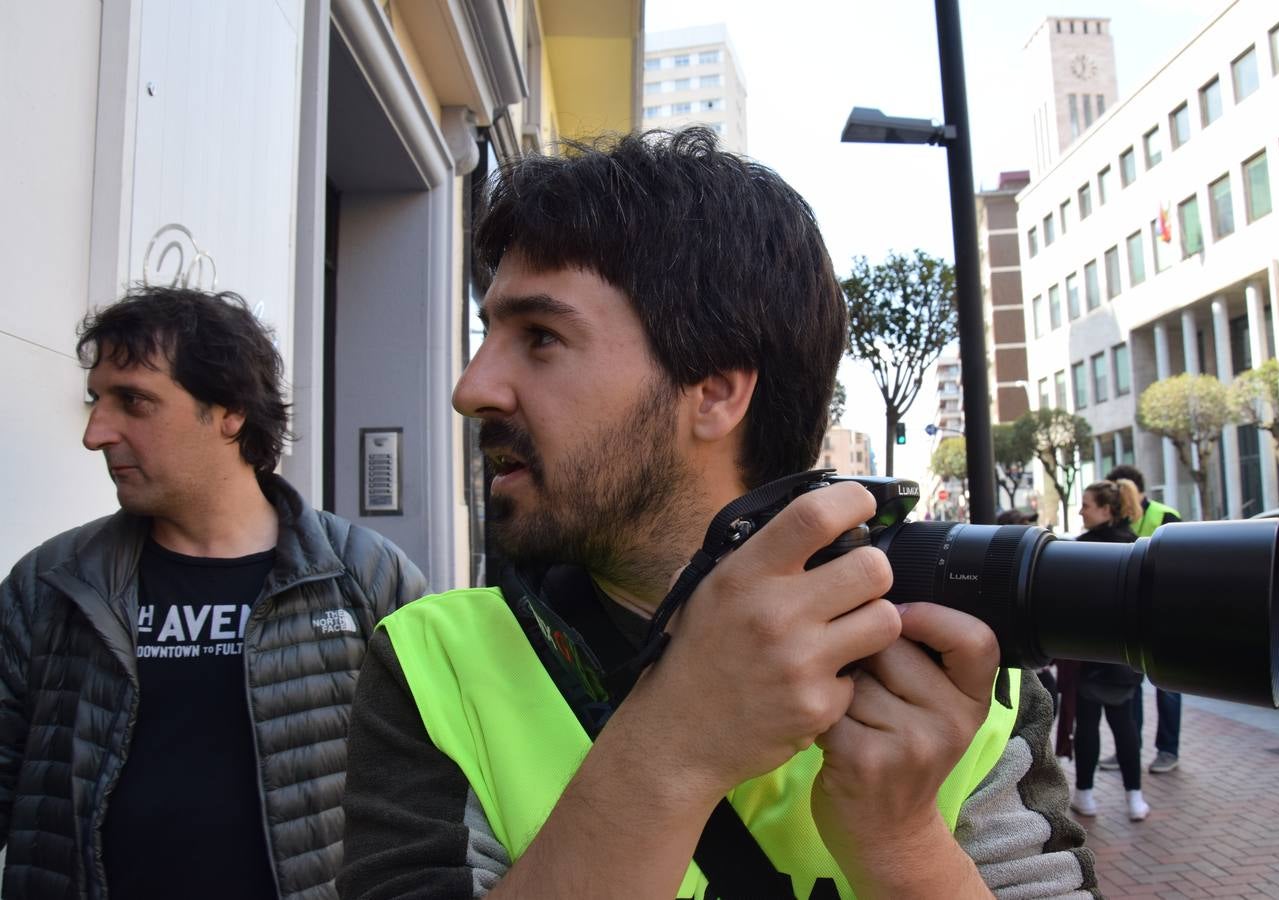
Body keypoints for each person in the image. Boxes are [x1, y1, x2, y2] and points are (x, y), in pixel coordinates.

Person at [338, 129, 1096, 898]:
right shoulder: (437, 665)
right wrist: (673, 745)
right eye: (487, 333)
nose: (472, 388)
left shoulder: (952, 675)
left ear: (715, 392)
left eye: (540, 336)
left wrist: (899, 839)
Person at [0, 287, 427, 900]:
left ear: (229, 410)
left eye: (134, 402)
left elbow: (438, 789)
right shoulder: (52, 585)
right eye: (98, 400)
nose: (96, 433)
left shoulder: (363, 578)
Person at [1070, 480, 1149, 823]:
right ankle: (1135, 798)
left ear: (1106, 509)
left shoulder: (1081, 548)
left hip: (1089, 654)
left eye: (1086, 505)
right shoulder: (1135, 544)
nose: (1081, 510)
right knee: (1125, 725)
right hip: (1127, 653)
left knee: (1087, 725)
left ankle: (1085, 794)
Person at [1104, 463, 1183, 774]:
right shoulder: (1119, 520)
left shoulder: (1164, 515)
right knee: (1130, 688)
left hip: (1164, 616)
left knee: (1168, 686)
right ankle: (1129, 748)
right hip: (1131, 618)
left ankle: (1168, 749)